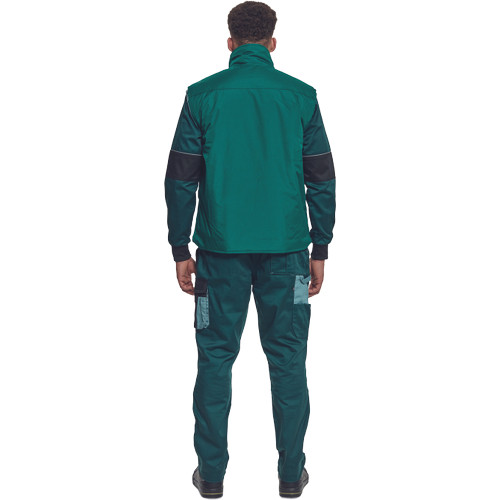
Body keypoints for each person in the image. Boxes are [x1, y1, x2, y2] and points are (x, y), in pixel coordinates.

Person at [164, 1, 335, 497]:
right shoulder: (301, 97)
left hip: (219, 255)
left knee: (215, 358)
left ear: (230, 43)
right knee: (288, 359)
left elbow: (180, 180)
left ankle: (211, 476)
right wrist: (319, 246)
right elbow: (322, 179)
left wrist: (179, 248)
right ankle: (291, 476)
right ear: (272, 43)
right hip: (289, 253)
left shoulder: (202, 96)